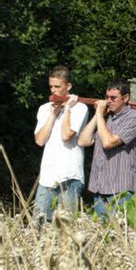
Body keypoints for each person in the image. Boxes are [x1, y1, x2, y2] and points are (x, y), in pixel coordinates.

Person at [78, 79, 136, 220]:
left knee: (120, 234)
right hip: (99, 188)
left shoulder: (133, 118)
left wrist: (99, 116)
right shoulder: (106, 118)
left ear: (125, 98)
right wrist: (98, 116)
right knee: (102, 235)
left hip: (119, 189)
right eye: (106, 97)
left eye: (113, 98)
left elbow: (108, 142)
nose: (109, 101)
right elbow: (83, 141)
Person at [34, 65, 89, 222]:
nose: (53, 90)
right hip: (47, 177)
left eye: (57, 86)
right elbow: (39, 140)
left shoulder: (80, 108)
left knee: (65, 228)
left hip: (70, 176)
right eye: (51, 86)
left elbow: (66, 135)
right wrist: (53, 115)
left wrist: (67, 110)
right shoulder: (44, 109)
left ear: (68, 86)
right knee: (38, 225)